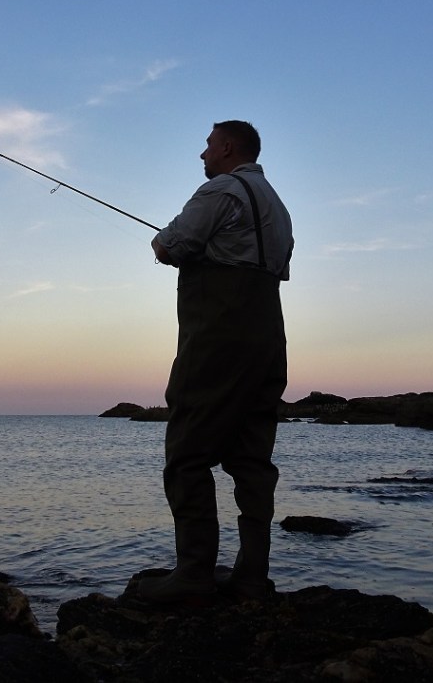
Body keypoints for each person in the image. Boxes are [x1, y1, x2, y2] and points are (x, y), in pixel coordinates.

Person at [137, 120, 293, 605]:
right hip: (268, 336)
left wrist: (160, 241)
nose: (202, 154)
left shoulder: (220, 190)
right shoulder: (277, 204)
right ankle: (251, 577)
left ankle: (193, 575)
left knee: (187, 451)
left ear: (227, 147)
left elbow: (170, 246)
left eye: (207, 145)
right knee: (252, 457)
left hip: (218, 336)